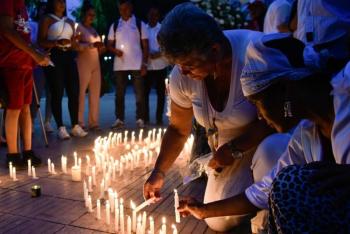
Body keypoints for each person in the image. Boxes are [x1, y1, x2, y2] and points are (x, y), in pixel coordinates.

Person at [177, 33, 350, 233]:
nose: (259, 115)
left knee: (290, 185)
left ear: (284, 90)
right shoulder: (307, 134)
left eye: (257, 103)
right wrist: (203, 210)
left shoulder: (345, 96)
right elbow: (263, 190)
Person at [143, 3, 287, 232]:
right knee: (217, 220)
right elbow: (178, 129)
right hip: (227, 148)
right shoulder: (183, 74)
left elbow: (282, 118)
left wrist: (235, 148)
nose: (183, 73)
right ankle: (253, 198)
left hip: (266, 137)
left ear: (215, 50)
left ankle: (271, 210)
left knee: (271, 152)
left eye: (189, 64)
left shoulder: (255, 55)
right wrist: (158, 172)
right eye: (179, 65)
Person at [0, 0, 50, 167]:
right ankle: (13, 155)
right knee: (13, 108)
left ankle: (28, 151)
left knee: (26, 108)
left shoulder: (22, 5)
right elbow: (6, 29)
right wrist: (33, 53)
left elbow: (24, 35)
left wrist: (36, 52)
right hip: (11, 62)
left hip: (25, 63)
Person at [38, 0, 88, 140]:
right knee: (57, 91)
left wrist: (75, 43)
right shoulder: (47, 19)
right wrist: (56, 43)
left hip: (68, 56)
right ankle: (60, 126)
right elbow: (40, 41)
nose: (61, 4)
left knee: (74, 90)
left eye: (63, 2)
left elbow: (72, 43)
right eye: (58, 1)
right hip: (54, 56)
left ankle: (75, 125)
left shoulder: (70, 22)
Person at [107, 0, 149, 129]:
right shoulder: (115, 25)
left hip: (136, 63)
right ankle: (119, 119)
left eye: (125, 8)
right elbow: (108, 44)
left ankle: (140, 118)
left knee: (139, 93)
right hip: (120, 65)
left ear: (131, 8)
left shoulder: (139, 24)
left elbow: (145, 46)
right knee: (119, 93)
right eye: (121, 9)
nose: (123, 11)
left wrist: (144, 64)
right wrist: (115, 51)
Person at [76, 1, 105, 131]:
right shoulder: (79, 28)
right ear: (83, 15)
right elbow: (76, 46)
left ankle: (93, 122)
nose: (92, 17)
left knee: (95, 93)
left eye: (94, 15)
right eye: (89, 14)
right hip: (83, 63)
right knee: (81, 92)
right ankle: (79, 121)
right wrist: (90, 45)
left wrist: (101, 48)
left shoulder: (93, 30)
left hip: (95, 63)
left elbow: (98, 47)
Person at [29, 0, 54, 133]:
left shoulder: (51, 25)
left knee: (51, 92)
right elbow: (30, 42)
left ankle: (48, 121)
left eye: (46, 8)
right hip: (37, 62)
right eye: (41, 8)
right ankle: (31, 120)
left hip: (49, 61)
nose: (43, 10)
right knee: (36, 93)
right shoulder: (32, 25)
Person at [144, 6, 169, 125]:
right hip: (148, 65)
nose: (152, 17)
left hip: (160, 65)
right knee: (145, 93)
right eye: (150, 15)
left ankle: (159, 118)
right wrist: (147, 53)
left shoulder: (163, 29)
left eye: (154, 15)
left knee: (160, 94)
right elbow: (141, 44)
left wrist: (159, 54)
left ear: (158, 16)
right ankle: (146, 118)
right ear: (147, 16)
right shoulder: (143, 28)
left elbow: (168, 45)